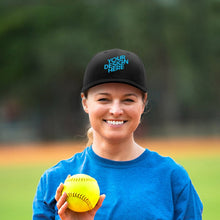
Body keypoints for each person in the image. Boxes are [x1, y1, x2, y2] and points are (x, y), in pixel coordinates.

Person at [33, 48, 203, 219]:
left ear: (143, 103)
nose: (115, 110)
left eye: (128, 99)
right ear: (85, 102)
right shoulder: (54, 182)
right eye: (103, 99)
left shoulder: (172, 178)